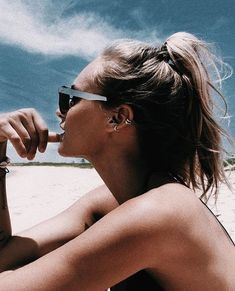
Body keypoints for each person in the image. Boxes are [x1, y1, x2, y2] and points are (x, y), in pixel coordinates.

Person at [0, 32, 234, 290]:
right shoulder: (111, 201)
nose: (60, 111)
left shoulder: (160, 212)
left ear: (117, 118)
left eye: (71, 98)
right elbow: (3, 254)